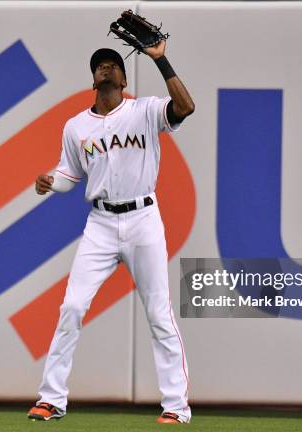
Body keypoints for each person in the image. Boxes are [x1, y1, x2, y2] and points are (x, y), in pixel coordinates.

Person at [28, 39, 195, 424]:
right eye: (99, 65)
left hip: (143, 220)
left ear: (123, 77)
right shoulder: (76, 127)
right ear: (93, 79)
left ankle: (176, 407)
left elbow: (185, 107)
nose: (105, 68)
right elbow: (70, 174)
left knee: (159, 314)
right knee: (71, 306)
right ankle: (52, 399)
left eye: (112, 64)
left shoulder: (145, 110)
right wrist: (51, 180)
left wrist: (162, 59)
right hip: (100, 224)